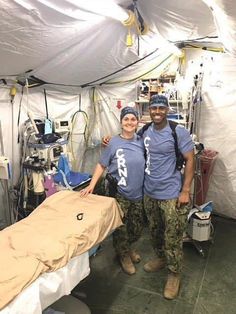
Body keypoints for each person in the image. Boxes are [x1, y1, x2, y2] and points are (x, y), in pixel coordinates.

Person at [102, 94, 195, 300]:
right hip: (149, 193)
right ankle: (161, 258)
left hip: (172, 194)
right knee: (155, 232)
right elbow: (125, 142)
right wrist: (109, 140)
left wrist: (186, 190)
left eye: (162, 108)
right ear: (149, 110)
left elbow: (190, 159)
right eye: (154, 108)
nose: (157, 112)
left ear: (167, 110)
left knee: (172, 237)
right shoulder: (144, 131)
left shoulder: (177, 131)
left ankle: (174, 273)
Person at [80, 107, 145, 275]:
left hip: (139, 194)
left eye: (133, 119)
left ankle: (128, 248)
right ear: (121, 122)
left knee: (136, 227)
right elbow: (102, 164)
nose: (129, 122)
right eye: (126, 119)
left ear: (137, 122)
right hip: (120, 193)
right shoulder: (114, 143)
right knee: (121, 228)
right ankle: (123, 255)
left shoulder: (141, 141)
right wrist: (92, 185)